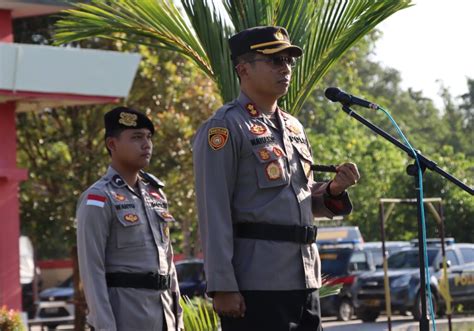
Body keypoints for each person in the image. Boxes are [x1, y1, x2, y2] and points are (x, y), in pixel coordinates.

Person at [193, 26, 360, 331]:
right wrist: (222, 285)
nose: (285, 68)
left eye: (288, 61)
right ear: (243, 69)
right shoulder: (225, 127)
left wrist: (333, 190)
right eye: (274, 61)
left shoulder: (294, 128)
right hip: (257, 282)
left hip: (305, 276)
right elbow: (212, 211)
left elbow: (301, 198)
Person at [76, 106, 183, 331]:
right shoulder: (98, 197)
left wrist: (178, 317)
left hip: (164, 315)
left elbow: (168, 261)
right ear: (112, 144)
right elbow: (91, 269)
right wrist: (104, 325)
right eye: (136, 137)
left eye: (148, 137)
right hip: (127, 317)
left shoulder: (156, 194)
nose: (146, 144)